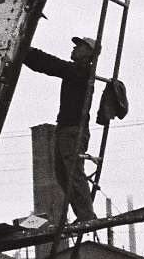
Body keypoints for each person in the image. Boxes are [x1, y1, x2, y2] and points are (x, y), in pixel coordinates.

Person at [23, 35, 103, 224]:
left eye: (80, 46)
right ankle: (83, 214)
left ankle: (86, 215)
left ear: (88, 53)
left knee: (73, 173)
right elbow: (52, 65)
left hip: (73, 130)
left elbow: (51, 65)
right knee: (62, 174)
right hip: (66, 129)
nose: (74, 49)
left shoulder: (81, 71)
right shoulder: (78, 70)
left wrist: (26, 52)